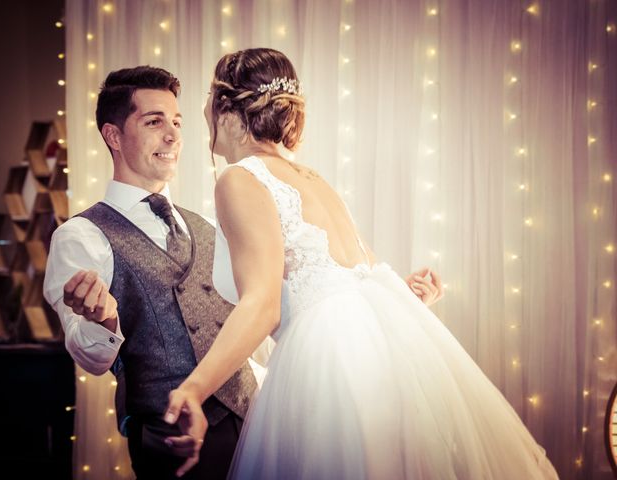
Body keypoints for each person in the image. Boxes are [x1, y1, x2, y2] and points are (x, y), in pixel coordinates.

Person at [163, 48, 560, 479]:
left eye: (206, 97)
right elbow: (357, 275)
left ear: (224, 106)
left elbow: (263, 303)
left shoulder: (240, 178)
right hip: (373, 362)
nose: (201, 110)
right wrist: (405, 295)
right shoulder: (313, 179)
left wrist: (194, 389)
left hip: (328, 366)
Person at [43, 66, 261, 480]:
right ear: (113, 137)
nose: (174, 134)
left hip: (254, 421)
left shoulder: (206, 225)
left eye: (177, 121)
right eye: (154, 121)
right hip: (172, 439)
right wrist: (102, 318)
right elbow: (89, 357)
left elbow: (250, 310)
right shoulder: (80, 236)